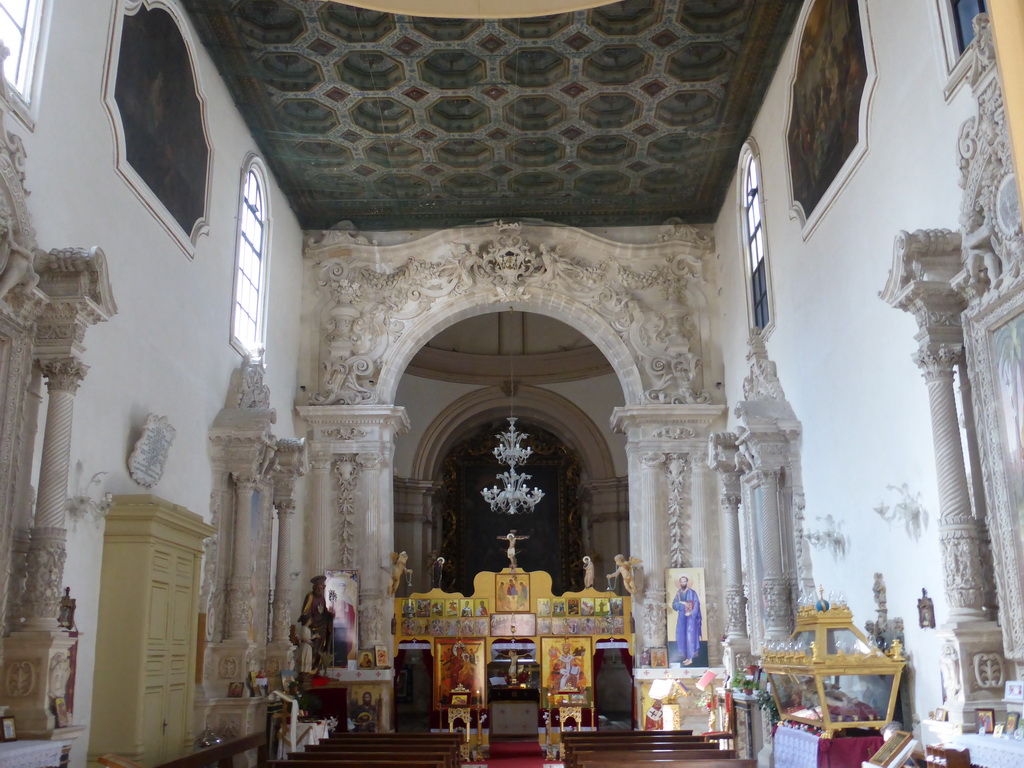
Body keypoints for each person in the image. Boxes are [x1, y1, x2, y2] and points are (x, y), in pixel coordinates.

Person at [298, 575, 334, 675]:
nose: (320, 590)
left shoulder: (322, 598)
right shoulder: (310, 596)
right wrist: (310, 620)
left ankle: (316, 670)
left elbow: (324, 611)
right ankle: (309, 670)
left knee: (320, 648)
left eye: (322, 589)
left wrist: (330, 614)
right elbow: (305, 612)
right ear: (314, 588)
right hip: (312, 627)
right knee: (313, 649)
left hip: (322, 626)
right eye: (318, 588)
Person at [672, 574, 702, 665]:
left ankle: (691, 657)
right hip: (681, 616)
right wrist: (682, 603)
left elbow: (696, 604)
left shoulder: (692, 592)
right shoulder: (678, 593)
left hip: (690, 618)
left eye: (684, 581)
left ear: (687, 582)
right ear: (679, 583)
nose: (683, 583)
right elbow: (674, 605)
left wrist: (691, 613)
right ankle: (685, 656)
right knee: (681, 635)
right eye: (681, 582)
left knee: (690, 636)